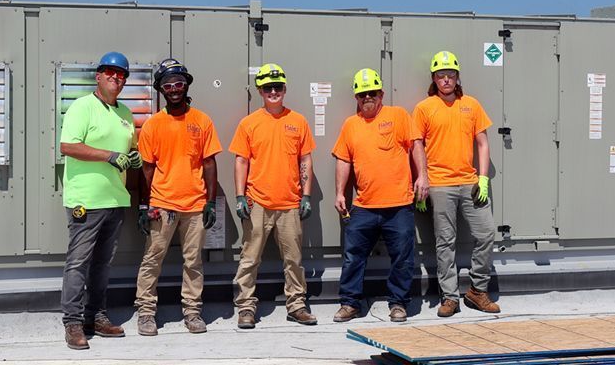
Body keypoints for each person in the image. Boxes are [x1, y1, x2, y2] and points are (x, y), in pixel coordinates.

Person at [331, 68, 429, 323]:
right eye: (362, 94)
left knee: (403, 258)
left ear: (381, 93)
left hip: (399, 205)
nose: (367, 98)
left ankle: (398, 303)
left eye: (372, 93)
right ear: (356, 97)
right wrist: (340, 192)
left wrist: (423, 176)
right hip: (363, 206)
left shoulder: (398, 116)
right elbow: (343, 160)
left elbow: (416, 144)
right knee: (353, 257)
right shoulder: (350, 125)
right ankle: (350, 303)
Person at [58, 51, 141, 350]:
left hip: (115, 200)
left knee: (102, 264)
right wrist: (109, 156)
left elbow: (131, 148)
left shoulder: (126, 114)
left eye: (121, 76)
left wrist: (133, 157)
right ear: (98, 76)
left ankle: (97, 317)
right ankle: (73, 322)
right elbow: (67, 146)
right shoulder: (82, 107)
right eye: (110, 73)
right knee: (78, 263)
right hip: (85, 201)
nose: (116, 79)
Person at [133, 58, 221, 336]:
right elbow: (146, 169)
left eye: (179, 83)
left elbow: (209, 163)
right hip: (162, 204)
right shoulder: (152, 126)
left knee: (193, 261)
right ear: (161, 89)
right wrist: (144, 206)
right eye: (168, 85)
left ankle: (192, 312)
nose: (174, 89)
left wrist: (210, 201)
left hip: (195, 205)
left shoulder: (202, 121)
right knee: (152, 259)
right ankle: (146, 313)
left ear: (186, 86)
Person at [230, 63, 319, 329]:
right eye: (268, 87)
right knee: (249, 258)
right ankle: (246, 308)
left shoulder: (298, 121)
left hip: (290, 204)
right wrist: (239, 196)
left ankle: (296, 306)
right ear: (260, 90)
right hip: (257, 203)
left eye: (277, 87)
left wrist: (306, 196)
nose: (273, 92)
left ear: (284, 89)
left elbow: (306, 159)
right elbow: (241, 162)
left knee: (294, 260)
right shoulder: (249, 123)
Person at [413, 51, 501, 317]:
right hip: (439, 185)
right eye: (441, 75)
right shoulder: (424, 108)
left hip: (470, 182)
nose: (446, 79)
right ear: (434, 79)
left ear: (457, 77)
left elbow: (483, 143)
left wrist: (483, 178)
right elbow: (417, 144)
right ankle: (450, 297)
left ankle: (477, 291)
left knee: (486, 233)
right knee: (445, 242)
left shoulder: (471, 105)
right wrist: (422, 177)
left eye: (451, 74)